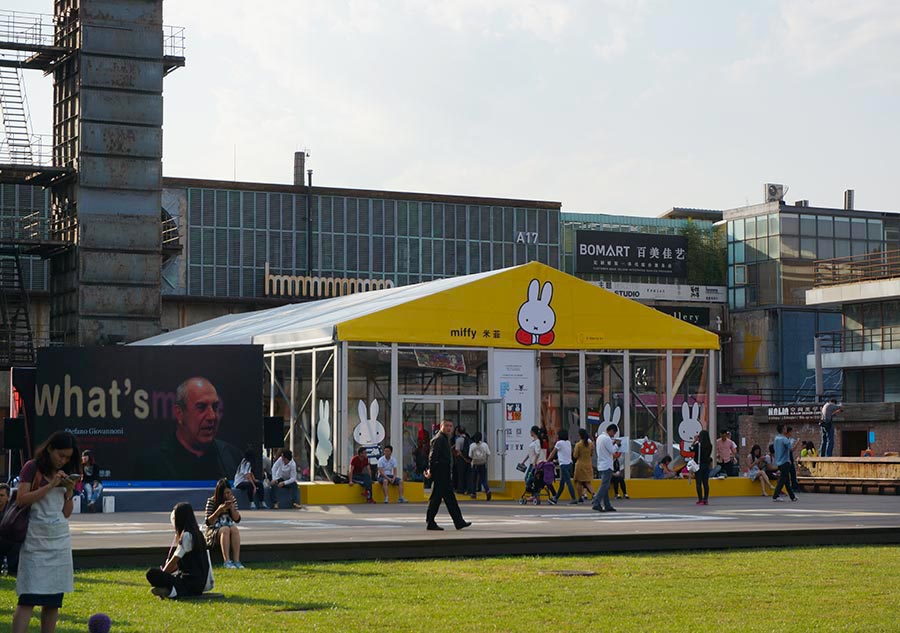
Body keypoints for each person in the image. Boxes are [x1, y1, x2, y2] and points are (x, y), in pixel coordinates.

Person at [12, 431, 81, 633]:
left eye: (68, 457)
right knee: (28, 598)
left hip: (59, 540)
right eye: (61, 455)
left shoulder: (69, 471)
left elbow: (66, 513)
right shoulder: (32, 467)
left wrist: (69, 492)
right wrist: (51, 485)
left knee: (53, 600)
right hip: (35, 537)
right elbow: (21, 499)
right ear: (50, 449)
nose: (64, 460)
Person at [140, 377, 242, 480]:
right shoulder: (151, 465)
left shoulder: (234, 459)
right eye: (201, 407)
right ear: (179, 413)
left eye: (215, 407)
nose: (212, 416)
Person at [146, 502, 213, 599]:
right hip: (198, 582)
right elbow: (178, 564)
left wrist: (162, 575)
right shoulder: (197, 534)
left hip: (190, 582)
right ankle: (169, 589)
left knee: (152, 574)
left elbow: (174, 560)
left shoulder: (187, 535)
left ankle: (171, 591)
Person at [425, 419, 470, 531]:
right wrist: (431, 470)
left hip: (444, 473)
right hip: (440, 472)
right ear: (441, 426)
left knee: (446, 498)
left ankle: (458, 521)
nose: (449, 428)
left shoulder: (445, 439)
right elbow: (432, 456)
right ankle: (432, 521)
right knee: (438, 499)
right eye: (447, 426)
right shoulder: (439, 439)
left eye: (451, 426)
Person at [204, 479, 243, 569]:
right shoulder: (211, 501)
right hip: (214, 532)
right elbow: (208, 522)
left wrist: (232, 508)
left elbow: (237, 519)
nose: (227, 496)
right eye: (224, 494)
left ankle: (237, 561)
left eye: (229, 493)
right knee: (225, 529)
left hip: (229, 528)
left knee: (234, 529)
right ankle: (227, 561)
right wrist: (218, 511)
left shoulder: (233, 500)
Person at [591, 424, 619, 513]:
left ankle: (607, 505)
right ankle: (596, 501)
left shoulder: (600, 437)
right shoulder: (607, 439)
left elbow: (606, 448)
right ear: (611, 430)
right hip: (607, 464)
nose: (613, 435)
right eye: (614, 433)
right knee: (604, 485)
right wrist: (617, 445)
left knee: (605, 486)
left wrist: (612, 443)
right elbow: (612, 450)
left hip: (601, 464)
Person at [549, 429, 577, 504]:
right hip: (570, 464)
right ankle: (556, 498)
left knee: (568, 482)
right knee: (562, 483)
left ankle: (574, 498)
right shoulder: (568, 443)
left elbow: (553, 453)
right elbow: (565, 454)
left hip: (564, 465)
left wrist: (547, 460)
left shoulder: (559, 443)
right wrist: (558, 460)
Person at [772, 424, 798, 502]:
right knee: (783, 480)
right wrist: (797, 443)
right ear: (783, 430)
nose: (786, 429)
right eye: (785, 428)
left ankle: (792, 496)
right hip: (785, 462)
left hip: (779, 462)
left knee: (786, 480)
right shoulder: (785, 439)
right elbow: (791, 449)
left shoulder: (776, 438)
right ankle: (775, 496)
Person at [0, 482, 21, 575]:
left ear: (8, 497)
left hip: (10, 540)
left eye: (1, 495)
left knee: (16, 544)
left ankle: (13, 571)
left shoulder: (13, 510)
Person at [572, 428, 595, 503]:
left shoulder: (578, 445)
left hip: (580, 465)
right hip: (588, 464)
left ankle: (580, 497)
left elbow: (575, 455)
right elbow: (591, 454)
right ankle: (593, 494)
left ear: (579, 435)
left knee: (579, 482)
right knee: (587, 482)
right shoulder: (590, 444)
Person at [468, 432, 492, 500]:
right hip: (482, 464)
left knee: (473, 479)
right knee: (483, 479)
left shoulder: (472, 445)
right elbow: (488, 453)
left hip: (474, 464)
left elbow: (469, 455)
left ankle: (473, 493)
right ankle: (487, 490)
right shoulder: (484, 445)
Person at [690, 430, 712, 505]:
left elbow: (691, 449)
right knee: (705, 483)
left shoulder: (698, 445)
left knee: (698, 483)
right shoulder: (710, 445)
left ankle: (700, 499)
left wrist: (694, 441)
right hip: (706, 465)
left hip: (698, 465)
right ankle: (705, 499)